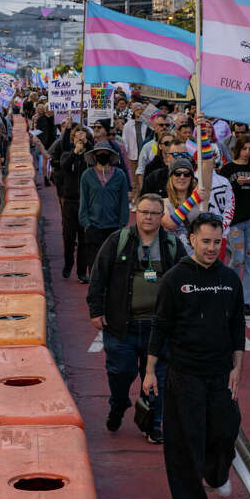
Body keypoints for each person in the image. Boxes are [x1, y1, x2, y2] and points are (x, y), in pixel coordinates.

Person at [142, 214, 244, 499]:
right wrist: (149, 370)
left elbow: (237, 326)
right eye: (206, 242)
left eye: (217, 241)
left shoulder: (229, 279)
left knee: (226, 428)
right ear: (192, 240)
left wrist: (237, 368)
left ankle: (215, 472)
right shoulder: (175, 279)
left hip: (220, 371)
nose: (212, 248)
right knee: (186, 438)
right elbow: (160, 327)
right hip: (184, 372)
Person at [89, 194, 188, 444]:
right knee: (120, 373)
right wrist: (96, 310)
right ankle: (118, 405)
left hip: (159, 329)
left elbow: (186, 281)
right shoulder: (118, 241)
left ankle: (153, 424)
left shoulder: (172, 245)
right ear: (136, 212)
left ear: (161, 216)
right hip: (122, 326)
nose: (149, 217)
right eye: (144, 212)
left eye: (155, 213)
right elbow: (98, 276)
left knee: (158, 378)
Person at [220, 134, 250, 313]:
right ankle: (231, 294)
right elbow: (223, 194)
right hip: (234, 220)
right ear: (237, 149)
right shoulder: (227, 169)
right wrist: (236, 184)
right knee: (238, 258)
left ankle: (245, 301)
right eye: (244, 148)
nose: (247, 153)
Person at [79, 140, 131, 271]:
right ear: (95, 156)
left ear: (110, 155)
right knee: (94, 264)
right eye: (99, 153)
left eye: (105, 153)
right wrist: (86, 224)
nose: (102, 155)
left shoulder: (120, 175)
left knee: (113, 264)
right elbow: (83, 202)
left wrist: (122, 224)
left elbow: (124, 202)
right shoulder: (87, 175)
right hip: (93, 226)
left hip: (114, 227)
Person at [57, 126, 92, 281]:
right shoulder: (67, 155)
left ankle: (81, 271)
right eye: (76, 137)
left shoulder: (90, 157)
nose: (79, 140)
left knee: (84, 239)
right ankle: (68, 263)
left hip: (86, 203)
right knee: (69, 237)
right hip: (70, 202)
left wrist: (87, 147)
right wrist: (74, 153)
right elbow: (63, 168)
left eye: (82, 137)